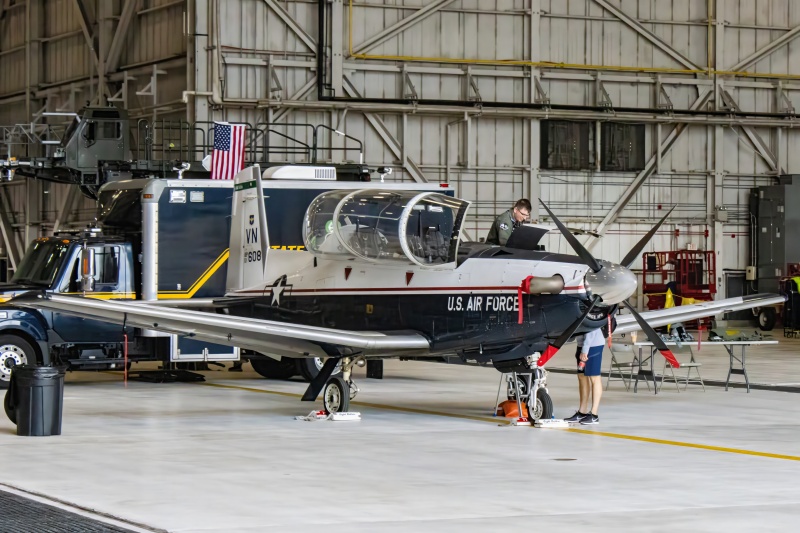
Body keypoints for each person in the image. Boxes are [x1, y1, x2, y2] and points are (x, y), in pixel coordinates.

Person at [564, 327, 605, 425]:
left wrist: (585, 350)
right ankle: (582, 412)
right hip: (582, 344)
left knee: (594, 377)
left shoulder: (589, 311)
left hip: (594, 344)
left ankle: (594, 415)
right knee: (581, 376)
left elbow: (592, 329)